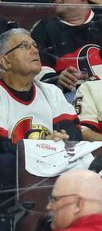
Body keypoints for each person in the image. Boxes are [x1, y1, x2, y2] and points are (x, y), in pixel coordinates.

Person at [0, 28, 80, 157]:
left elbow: (73, 134)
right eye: (24, 46)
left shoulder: (51, 92)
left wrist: (61, 138)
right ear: (5, 61)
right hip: (13, 170)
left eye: (35, 45)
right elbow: (2, 147)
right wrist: (40, 146)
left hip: (53, 163)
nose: (35, 50)